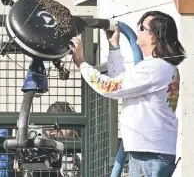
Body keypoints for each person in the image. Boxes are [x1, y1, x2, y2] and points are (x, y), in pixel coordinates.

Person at [70, 11, 186, 177]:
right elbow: (120, 82)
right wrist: (114, 46)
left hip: (148, 153)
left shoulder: (155, 69)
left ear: (154, 36)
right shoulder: (161, 68)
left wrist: (81, 63)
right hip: (150, 151)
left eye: (141, 28)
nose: (137, 31)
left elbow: (110, 87)